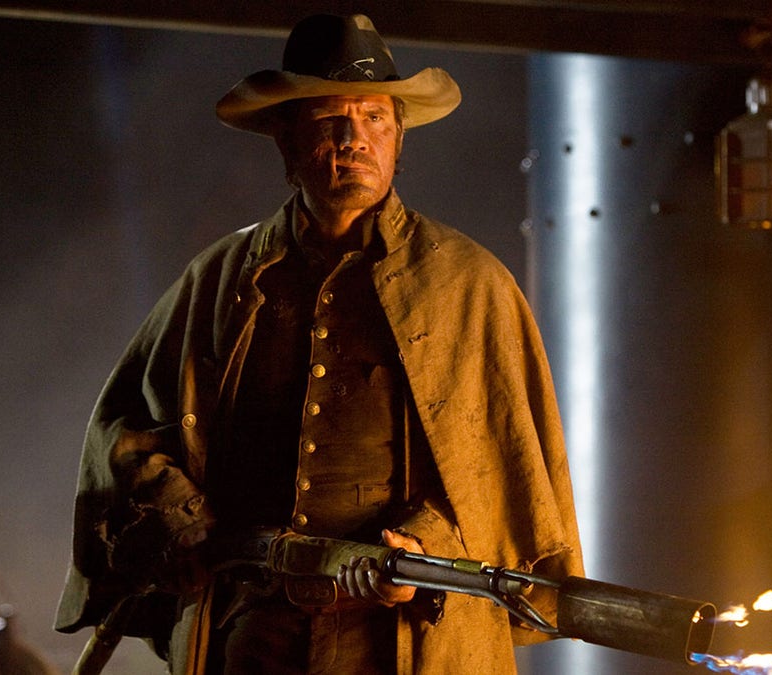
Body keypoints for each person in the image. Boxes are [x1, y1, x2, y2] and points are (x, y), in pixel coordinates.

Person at [54, 13, 583, 674]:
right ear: (285, 137)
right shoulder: (221, 279)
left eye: (374, 119)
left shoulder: (468, 284)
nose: (353, 139)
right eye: (331, 120)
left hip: (406, 640)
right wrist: (182, 519)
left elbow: (499, 469)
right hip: (250, 633)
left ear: (398, 137)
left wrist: (420, 549)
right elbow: (123, 429)